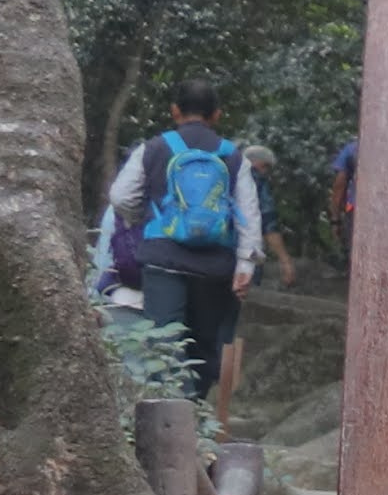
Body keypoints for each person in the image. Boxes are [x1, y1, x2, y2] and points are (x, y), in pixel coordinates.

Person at [103, 84, 266, 426]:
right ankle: (194, 417)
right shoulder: (233, 156)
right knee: (204, 348)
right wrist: (246, 264)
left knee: (164, 344)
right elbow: (249, 213)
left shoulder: (154, 148)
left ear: (175, 111)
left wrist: (145, 219)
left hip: (163, 261)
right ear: (216, 115)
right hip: (215, 268)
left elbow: (120, 196)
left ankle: (173, 424)